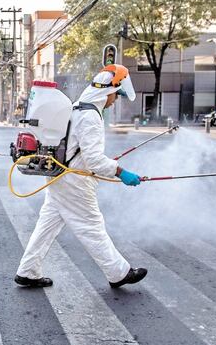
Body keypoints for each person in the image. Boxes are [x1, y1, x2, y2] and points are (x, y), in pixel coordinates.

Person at [14, 65, 148, 289]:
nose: (115, 100)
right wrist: (121, 172)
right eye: (116, 94)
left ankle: (27, 270)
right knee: (91, 226)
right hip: (74, 182)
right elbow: (94, 159)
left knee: (47, 224)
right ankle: (118, 273)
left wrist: (100, 163)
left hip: (60, 175)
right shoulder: (90, 117)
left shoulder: (78, 107)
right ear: (107, 91)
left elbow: (79, 150)